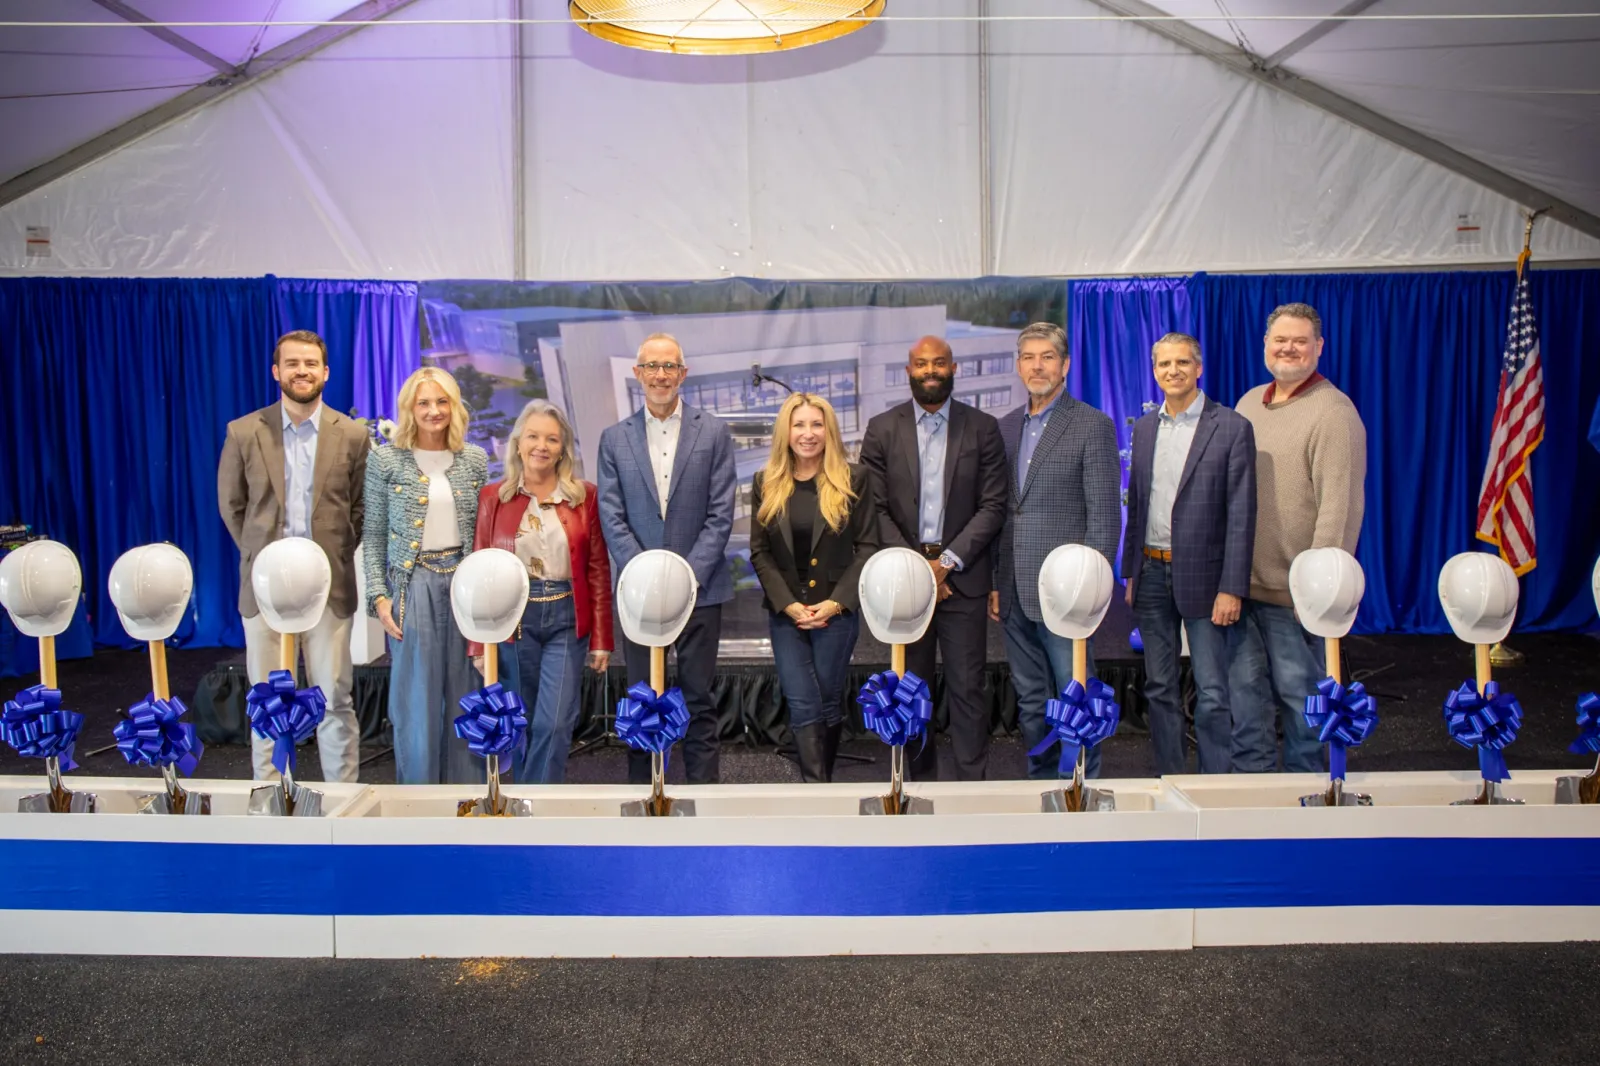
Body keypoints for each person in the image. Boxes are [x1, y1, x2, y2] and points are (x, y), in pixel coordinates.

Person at [218, 329, 368, 783]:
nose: (301, 371)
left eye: (310, 364)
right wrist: (263, 562)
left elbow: (359, 508)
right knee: (267, 697)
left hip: (329, 589)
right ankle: (269, 797)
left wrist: (336, 554)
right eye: (292, 363)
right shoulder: (244, 432)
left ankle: (343, 802)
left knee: (334, 699)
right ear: (276, 371)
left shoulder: (354, 435)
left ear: (325, 372)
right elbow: (232, 505)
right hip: (264, 590)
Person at [861, 335, 1008, 780]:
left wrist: (944, 564)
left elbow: (993, 505)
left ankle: (970, 788)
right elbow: (873, 506)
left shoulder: (983, 427)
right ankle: (915, 783)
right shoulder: (882, 428)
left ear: (953, 368)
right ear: (908, 371)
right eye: (921, 364)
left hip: (961, 580)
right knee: (910, 688)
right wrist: (916, 569)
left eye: (938, 363)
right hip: (903, 580)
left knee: (967, 689)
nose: (930, 370)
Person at [1232, 302, 1367, 773]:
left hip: (1295, 597)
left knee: (1303, 704)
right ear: (1266, 345)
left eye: (1300, 341)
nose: (1288, 348)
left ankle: (1307, 805)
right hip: (1241, 590)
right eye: (1280, 340)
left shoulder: (1334, 413)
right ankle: (1254, 798)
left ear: (1319, 348)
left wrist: (1320, 592)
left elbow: (1341, 508)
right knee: (1245, 703)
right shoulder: (1248, 404)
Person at [596, 333, 736, 785]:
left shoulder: (713, 432)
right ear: (637, 374)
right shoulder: (614, 439)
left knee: (698, 699)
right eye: (651, 367)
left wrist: (684, 579)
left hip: (700, 591)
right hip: (637, 597)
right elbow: (611, 515)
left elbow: (721, 513)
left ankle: (705, 799)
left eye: (669, 366)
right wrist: (645, 580)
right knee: (642, 698)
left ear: (683, 373)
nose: (660, 375)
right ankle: (644, 794)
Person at [989, 323, 1120, 780]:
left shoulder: (1092, 425)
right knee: (1030, 699)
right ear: (1018, 365)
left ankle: (1081, 787)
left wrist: (1092, 590)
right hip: (1013, 587)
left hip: (1069, 593)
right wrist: (993, 583)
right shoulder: (1004, 429)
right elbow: (1002, 513)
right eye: (1028, 356)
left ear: (1064, 365)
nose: (1037, 365)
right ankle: (1042, 786)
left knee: (1077, 694)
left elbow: (1105, 516)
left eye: (1048, 356)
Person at [1123, 333, 1256, 776]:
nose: (1173, 371)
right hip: (1150, 574)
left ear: (1199, 368)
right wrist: (1130, 574)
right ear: (1155, 370)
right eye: (1164, 364)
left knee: (1213, 689)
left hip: (1207, 581)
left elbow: (1241, 514)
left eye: (1182, 363)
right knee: (1159, 686)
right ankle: (1171, 778)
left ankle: (1215, 782)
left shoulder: (1232, 427)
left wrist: (1232, 588)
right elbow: (1137, 506)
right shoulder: (1143, 429)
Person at [472, 399, 612, 784]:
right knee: (519, 720)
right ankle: (519, 803)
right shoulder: (493, 498)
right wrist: (476, 644)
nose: (542, 446)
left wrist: (602, 638)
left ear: (563, 448)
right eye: (533, 436)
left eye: (552, 439)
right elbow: (478, 574)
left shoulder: (585, 497)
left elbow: (598, 569)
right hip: (513, 620)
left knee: (555, 721)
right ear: (518, 443)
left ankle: (536, 804)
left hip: (567, 618)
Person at [361, 367, 488, 785]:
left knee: (466, 694)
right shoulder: (385, 459)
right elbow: (374, 533)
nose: (434, 411)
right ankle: (416, 803)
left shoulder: (474, 459)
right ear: (409, 410)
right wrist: (379, 597)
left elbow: (484, 532)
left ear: (454, 406)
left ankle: (468, 800)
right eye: (424, 403)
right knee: (416, 701)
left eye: (442, 401)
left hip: (464, 587)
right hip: (412, 588)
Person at [750, 393, 878, 783]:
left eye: (817, 425)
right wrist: (787, 604)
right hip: (786, 614)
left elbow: (868, 546)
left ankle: (822, 783)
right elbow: (759, 552)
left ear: (830, 430)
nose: (808, 434)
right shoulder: (765, 481)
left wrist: (837, 603)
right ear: (785, 431)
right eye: (799, 424)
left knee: (826, 700)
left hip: (835, 615)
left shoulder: (855, 479)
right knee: (803, 703)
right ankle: (817, 790)